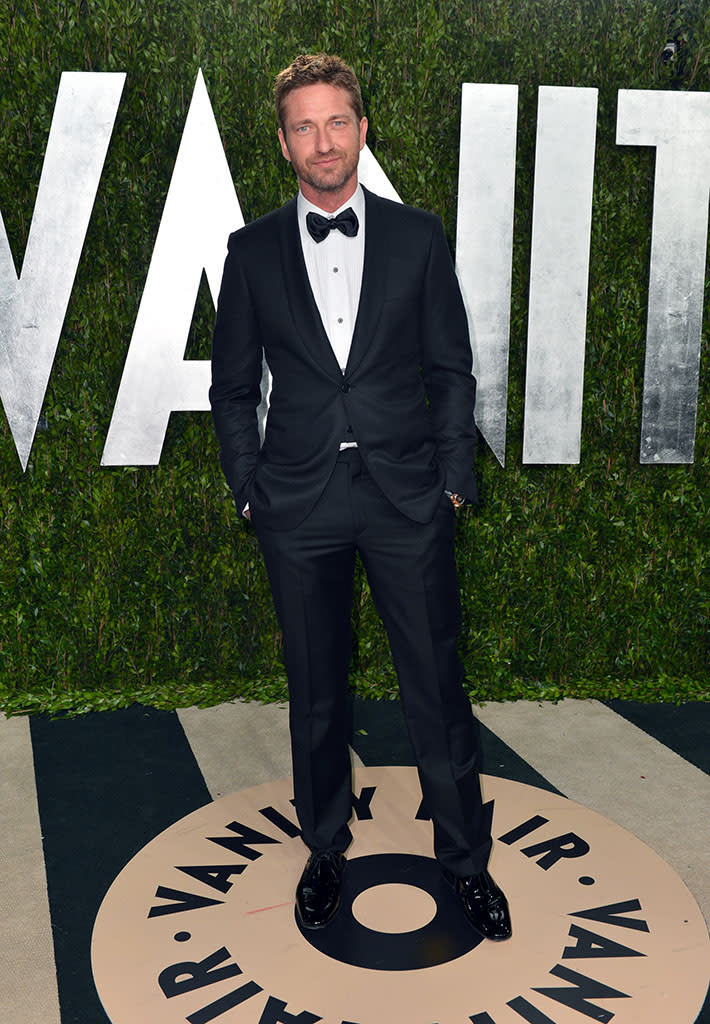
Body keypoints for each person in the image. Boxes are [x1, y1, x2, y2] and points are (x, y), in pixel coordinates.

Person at [210, 53, 511, 941]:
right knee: (315, 693)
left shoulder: (418, 236)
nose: (322, 140)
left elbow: (450, 370)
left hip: (406, 497)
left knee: (435, 686)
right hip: (297, 505)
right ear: (283, 144)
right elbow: (233, 390)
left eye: (335, 121)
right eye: (303, 126)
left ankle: (464, 863)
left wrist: (452, 481)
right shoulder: (251, 249)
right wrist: (249, 488)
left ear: (361, 128)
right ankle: (326, 851)